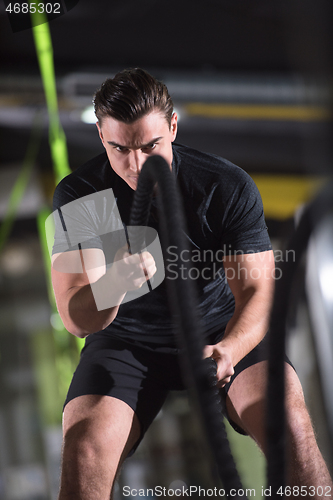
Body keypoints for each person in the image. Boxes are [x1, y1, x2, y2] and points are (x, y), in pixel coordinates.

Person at [51, 68, 332, 499]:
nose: (137, 164)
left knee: (289, 425)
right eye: (119, 148)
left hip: (220, 328)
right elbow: (76, 318)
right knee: (84, 450)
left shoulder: (220, 184)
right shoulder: (85, 195)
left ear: (173, 127)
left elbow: (259, 291)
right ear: (102, 137)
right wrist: (117, 282)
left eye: (151, 146)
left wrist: (230, 350)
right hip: (128, 342)